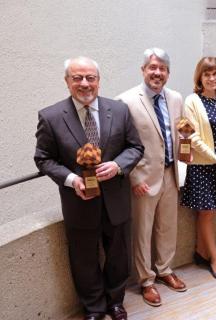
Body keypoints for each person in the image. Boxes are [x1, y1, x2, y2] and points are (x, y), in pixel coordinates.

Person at [34, 57, 144, 320]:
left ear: (98, 80)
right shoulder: (50, 117)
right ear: (67, 81)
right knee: (83, 259)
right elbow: (43, 158)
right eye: (77, 78)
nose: (85, 84)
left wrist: (117, 166)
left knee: (118, 255)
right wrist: (72, 179)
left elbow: (136, 147)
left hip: (116, 200)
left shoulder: (119, 110)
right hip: (78, 202)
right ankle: (93, 308)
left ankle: (115, 302)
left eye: (90, 78)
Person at [116, 48, 186, 307]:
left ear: (168, 73)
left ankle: (165, 270)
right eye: (152, 67)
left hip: (171, 173)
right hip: (143, 179)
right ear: (143, 70)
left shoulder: (176, 98)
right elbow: (119, 145)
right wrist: (133, 177)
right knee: (142, 232)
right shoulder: (125, 101)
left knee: (168, 227)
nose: (157, 73)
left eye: (162, 69)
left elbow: (180, 135)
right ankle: (146, 281)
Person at [182, 57, 216, 281]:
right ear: (200, 78)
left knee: (207, 214)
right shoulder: (192, 101)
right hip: (203, 166)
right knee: (206, 214)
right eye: (207, 74)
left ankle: (200, 252)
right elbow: (193, 137)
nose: (212, 78)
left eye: (215, 73)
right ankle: (215, 259)